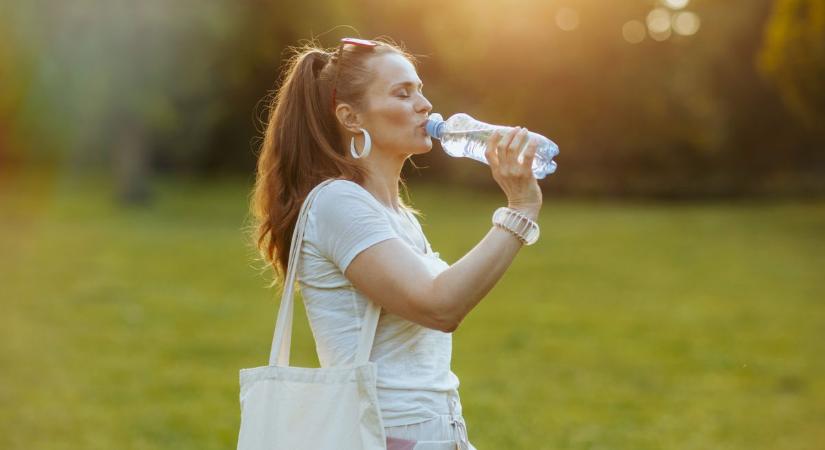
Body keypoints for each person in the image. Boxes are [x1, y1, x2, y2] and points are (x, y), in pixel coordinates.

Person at [249, 37, 543, 450]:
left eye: (420, 90)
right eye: (402, 93)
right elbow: (440, 305)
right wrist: (520, 208)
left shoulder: (396, 214)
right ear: (351, 117)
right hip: (385, 436)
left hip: (432, 433)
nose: (424, 105)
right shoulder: (337, 203)